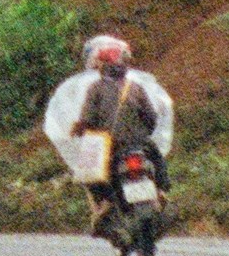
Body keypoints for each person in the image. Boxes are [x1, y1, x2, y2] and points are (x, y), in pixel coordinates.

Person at [39, 30, 174, 239]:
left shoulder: (95, 88)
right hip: (139, 144)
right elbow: (151, 116)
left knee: (90, 175)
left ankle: (105, 204)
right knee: (157, 159)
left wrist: (79, 130)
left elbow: (87, 118)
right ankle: (162, 192)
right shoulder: (136, 87)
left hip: (111, 147)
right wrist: (143, 133)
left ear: (102, 66)